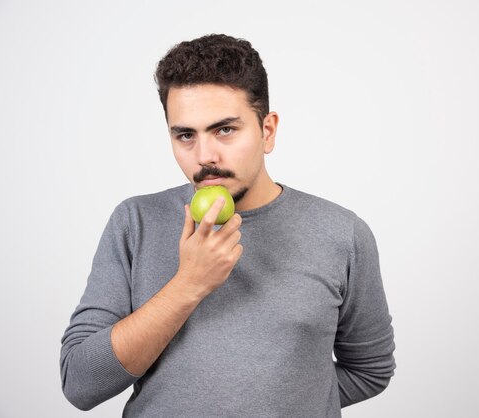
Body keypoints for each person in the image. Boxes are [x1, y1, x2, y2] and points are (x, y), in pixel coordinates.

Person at [60, 33, 395, 417]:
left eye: (225, 130)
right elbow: (80, 383)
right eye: (186, 135)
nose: (205, 157)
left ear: (267, 131)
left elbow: (371, 370)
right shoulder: (135, 222)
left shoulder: (342, 233)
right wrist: (189, 284)